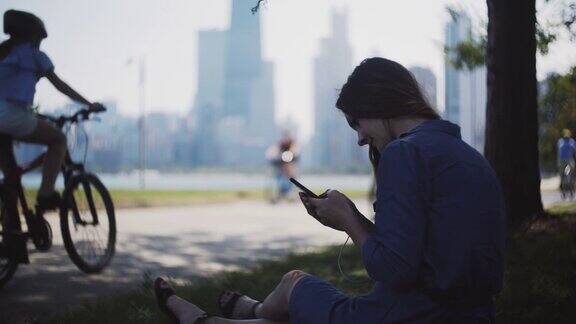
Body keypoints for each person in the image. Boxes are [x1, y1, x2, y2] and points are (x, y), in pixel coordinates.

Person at [154, 57, 507, 323]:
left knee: (295, 283)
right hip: (471, 314)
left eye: (357, 122)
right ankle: (228, 316)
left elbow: (394, 271)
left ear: (377, 104)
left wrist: (349, 219)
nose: (359, 138)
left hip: (411, 314)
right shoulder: (467, 156)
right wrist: (346, 219)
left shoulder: (404, 152)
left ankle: (239, 312)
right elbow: (415, 255)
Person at [0, 10, 103, 210]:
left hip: (9, 116)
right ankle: (46, 194)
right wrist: (89, 104)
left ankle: (13, 238)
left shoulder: (3, 53)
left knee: (11, 178)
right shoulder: (35, 55)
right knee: (58, 140)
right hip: (11, 116)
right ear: (33, 36)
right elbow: (60, 85)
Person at [265, 131, 300, 203]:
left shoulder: (293, 145)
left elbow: (295, 153)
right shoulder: (279, 145)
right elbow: (272, 154)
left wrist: (290, 157)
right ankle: (279, 196)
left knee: (289, 182)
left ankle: (289, 196)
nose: (285, 139)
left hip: (289, 167)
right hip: (281, 167)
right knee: (281, 181)